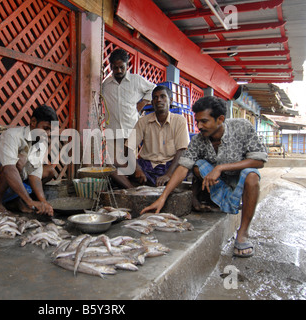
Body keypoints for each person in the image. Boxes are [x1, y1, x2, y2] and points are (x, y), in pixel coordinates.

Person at [141, 96, 268, 258]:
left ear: (220, 119)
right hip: (218, 184)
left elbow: (259, 160)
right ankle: (218, 201)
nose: (199, 126)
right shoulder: (199, 140)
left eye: (204, 121)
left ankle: (243, 233)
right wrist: (163, 197)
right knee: (197, 165)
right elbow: (182, 167)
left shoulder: (242, 127)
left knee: (251, 176)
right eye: (197, 121)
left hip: (239, 180)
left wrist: (221, 168)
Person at [0, 105, 58, 216]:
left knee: (49, 170)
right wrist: (30, 201)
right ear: (33, 121)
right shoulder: (12, 135)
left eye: (50, 130)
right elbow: (8, 169)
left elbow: (34, 174)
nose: (48, 133)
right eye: (45, 128)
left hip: (13, 183)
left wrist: (44, 202)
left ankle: (16, 200)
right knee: (17, 162)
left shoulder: (41, 143)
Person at [111, 85, 190, 188]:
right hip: (146, 166)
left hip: (169, 166)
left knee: (188, 166)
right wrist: (138, 169)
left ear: (170, 100)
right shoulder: (143, 121)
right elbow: (129, 147)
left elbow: (182, 150)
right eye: (155, 98)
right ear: (152, 103)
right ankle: (132, 190)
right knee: (111, 164)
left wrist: (168, 175)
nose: (158, 100)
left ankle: (157, 182)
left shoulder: (180, 121)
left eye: (163, 97)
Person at [102, 48, 156, 141]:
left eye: (121, 67)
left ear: (127, 66)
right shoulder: (106, 84)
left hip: (131, 132)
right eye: (115, 68)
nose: (119, 71)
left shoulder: (136, 80)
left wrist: (142, 103)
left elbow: (154, 88)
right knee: (113, 156)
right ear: (111, 67)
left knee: (130, 156)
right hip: (112, 133)